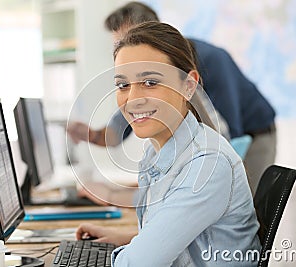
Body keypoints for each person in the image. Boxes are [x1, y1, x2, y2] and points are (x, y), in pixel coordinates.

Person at [75, 21, 261, 266]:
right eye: (123, 85)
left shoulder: (207, 164)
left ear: (189, 85)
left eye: (150, 82)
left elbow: (137, 264)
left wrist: (127, 252)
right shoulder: (157, 151)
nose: (132, 100)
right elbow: (182, 233)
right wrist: (128, 240)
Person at [67, 2, 276, 195]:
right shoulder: (145, 73)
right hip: (220, 144)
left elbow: (228, 134)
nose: (123, 52)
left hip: (253, 136)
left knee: (244, 206)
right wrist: (88, 134)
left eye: (128, 41)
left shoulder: (207, 58)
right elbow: (118, 131)